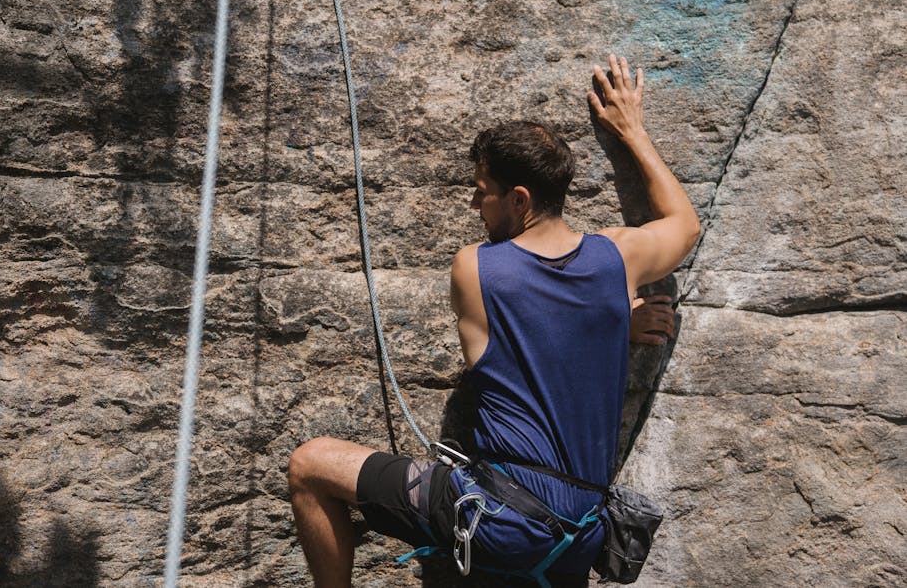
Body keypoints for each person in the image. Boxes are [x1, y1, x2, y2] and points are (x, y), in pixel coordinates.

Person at [288, 54, 700, 587]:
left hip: (500, 524)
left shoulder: (476, 268)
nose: (475, 202)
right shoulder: (618, 259)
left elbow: (523, 327)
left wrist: (613, 322)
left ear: (519, 198)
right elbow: (684, 226)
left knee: (311, 465)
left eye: (483, 190)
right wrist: (632, 130)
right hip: (581, 538)